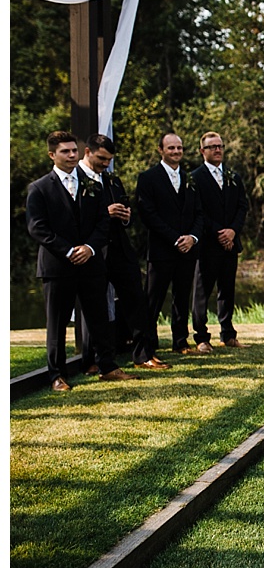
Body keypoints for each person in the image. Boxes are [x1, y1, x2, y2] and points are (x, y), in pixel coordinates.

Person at [25, 131, 135, 391]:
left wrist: (89, 247)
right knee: (57, 323)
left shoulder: (94, 186)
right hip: (57, 266)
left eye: (74, 150)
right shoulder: (39, 188)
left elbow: (102, 222)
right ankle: (57, 375)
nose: (72, 155)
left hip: (91, 263)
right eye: (65, 151)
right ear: (52, 155)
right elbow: (37, 227)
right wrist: (68, 250)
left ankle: (107, 367)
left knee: (99, 318)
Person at [78, 134, 168, 372]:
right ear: (87, 152)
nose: (105, 163)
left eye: (109, 159)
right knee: (95, 306)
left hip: (120, 249)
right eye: (101, 158)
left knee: (137, 301)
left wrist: (126, 217)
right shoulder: (75, 180)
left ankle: (143, 354)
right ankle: (93, 360)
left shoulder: (112, 180)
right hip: (95, 251)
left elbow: (127, 209)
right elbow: (74, 219)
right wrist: (105, 212)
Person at [135, 133, 204, 357]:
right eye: (171, 148)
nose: (176, 152)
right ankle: (147, 346)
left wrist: (192, 237)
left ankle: (180, 342)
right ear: (161, 150)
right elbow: (148, 214)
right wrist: (175, 238)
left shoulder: (190, 178)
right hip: (161, 250)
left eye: (179, 148)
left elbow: (199, 214)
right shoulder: (148, 178)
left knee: (182, 297)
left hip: (187, 250)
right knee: (152, 300)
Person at [191, 132, 249, 352]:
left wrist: (233, 231)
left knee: (227, 289)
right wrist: (219, 232)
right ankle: (201, 338)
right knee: (202, 291)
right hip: (207, 244)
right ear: (202, 151)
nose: (217, 150)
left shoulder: (234, 177)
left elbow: (242, 206)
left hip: (231, 243)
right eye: (212, 147)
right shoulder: (195, 177)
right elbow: (198, 211)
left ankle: (228, 334)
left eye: (220, 146)